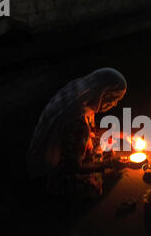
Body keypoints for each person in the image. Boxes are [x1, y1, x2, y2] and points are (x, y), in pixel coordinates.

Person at [27, 68, 127, 200]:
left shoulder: (79, 97)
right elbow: (74, 166)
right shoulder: (77, 120)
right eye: (113, 99)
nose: (114, 104)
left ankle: (92, 158)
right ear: (102, 94)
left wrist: (120, 134)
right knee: (94, 187)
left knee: (103, 144)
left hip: (59, 149)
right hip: (51, 169)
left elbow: (90, 132)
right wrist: (108, 165)